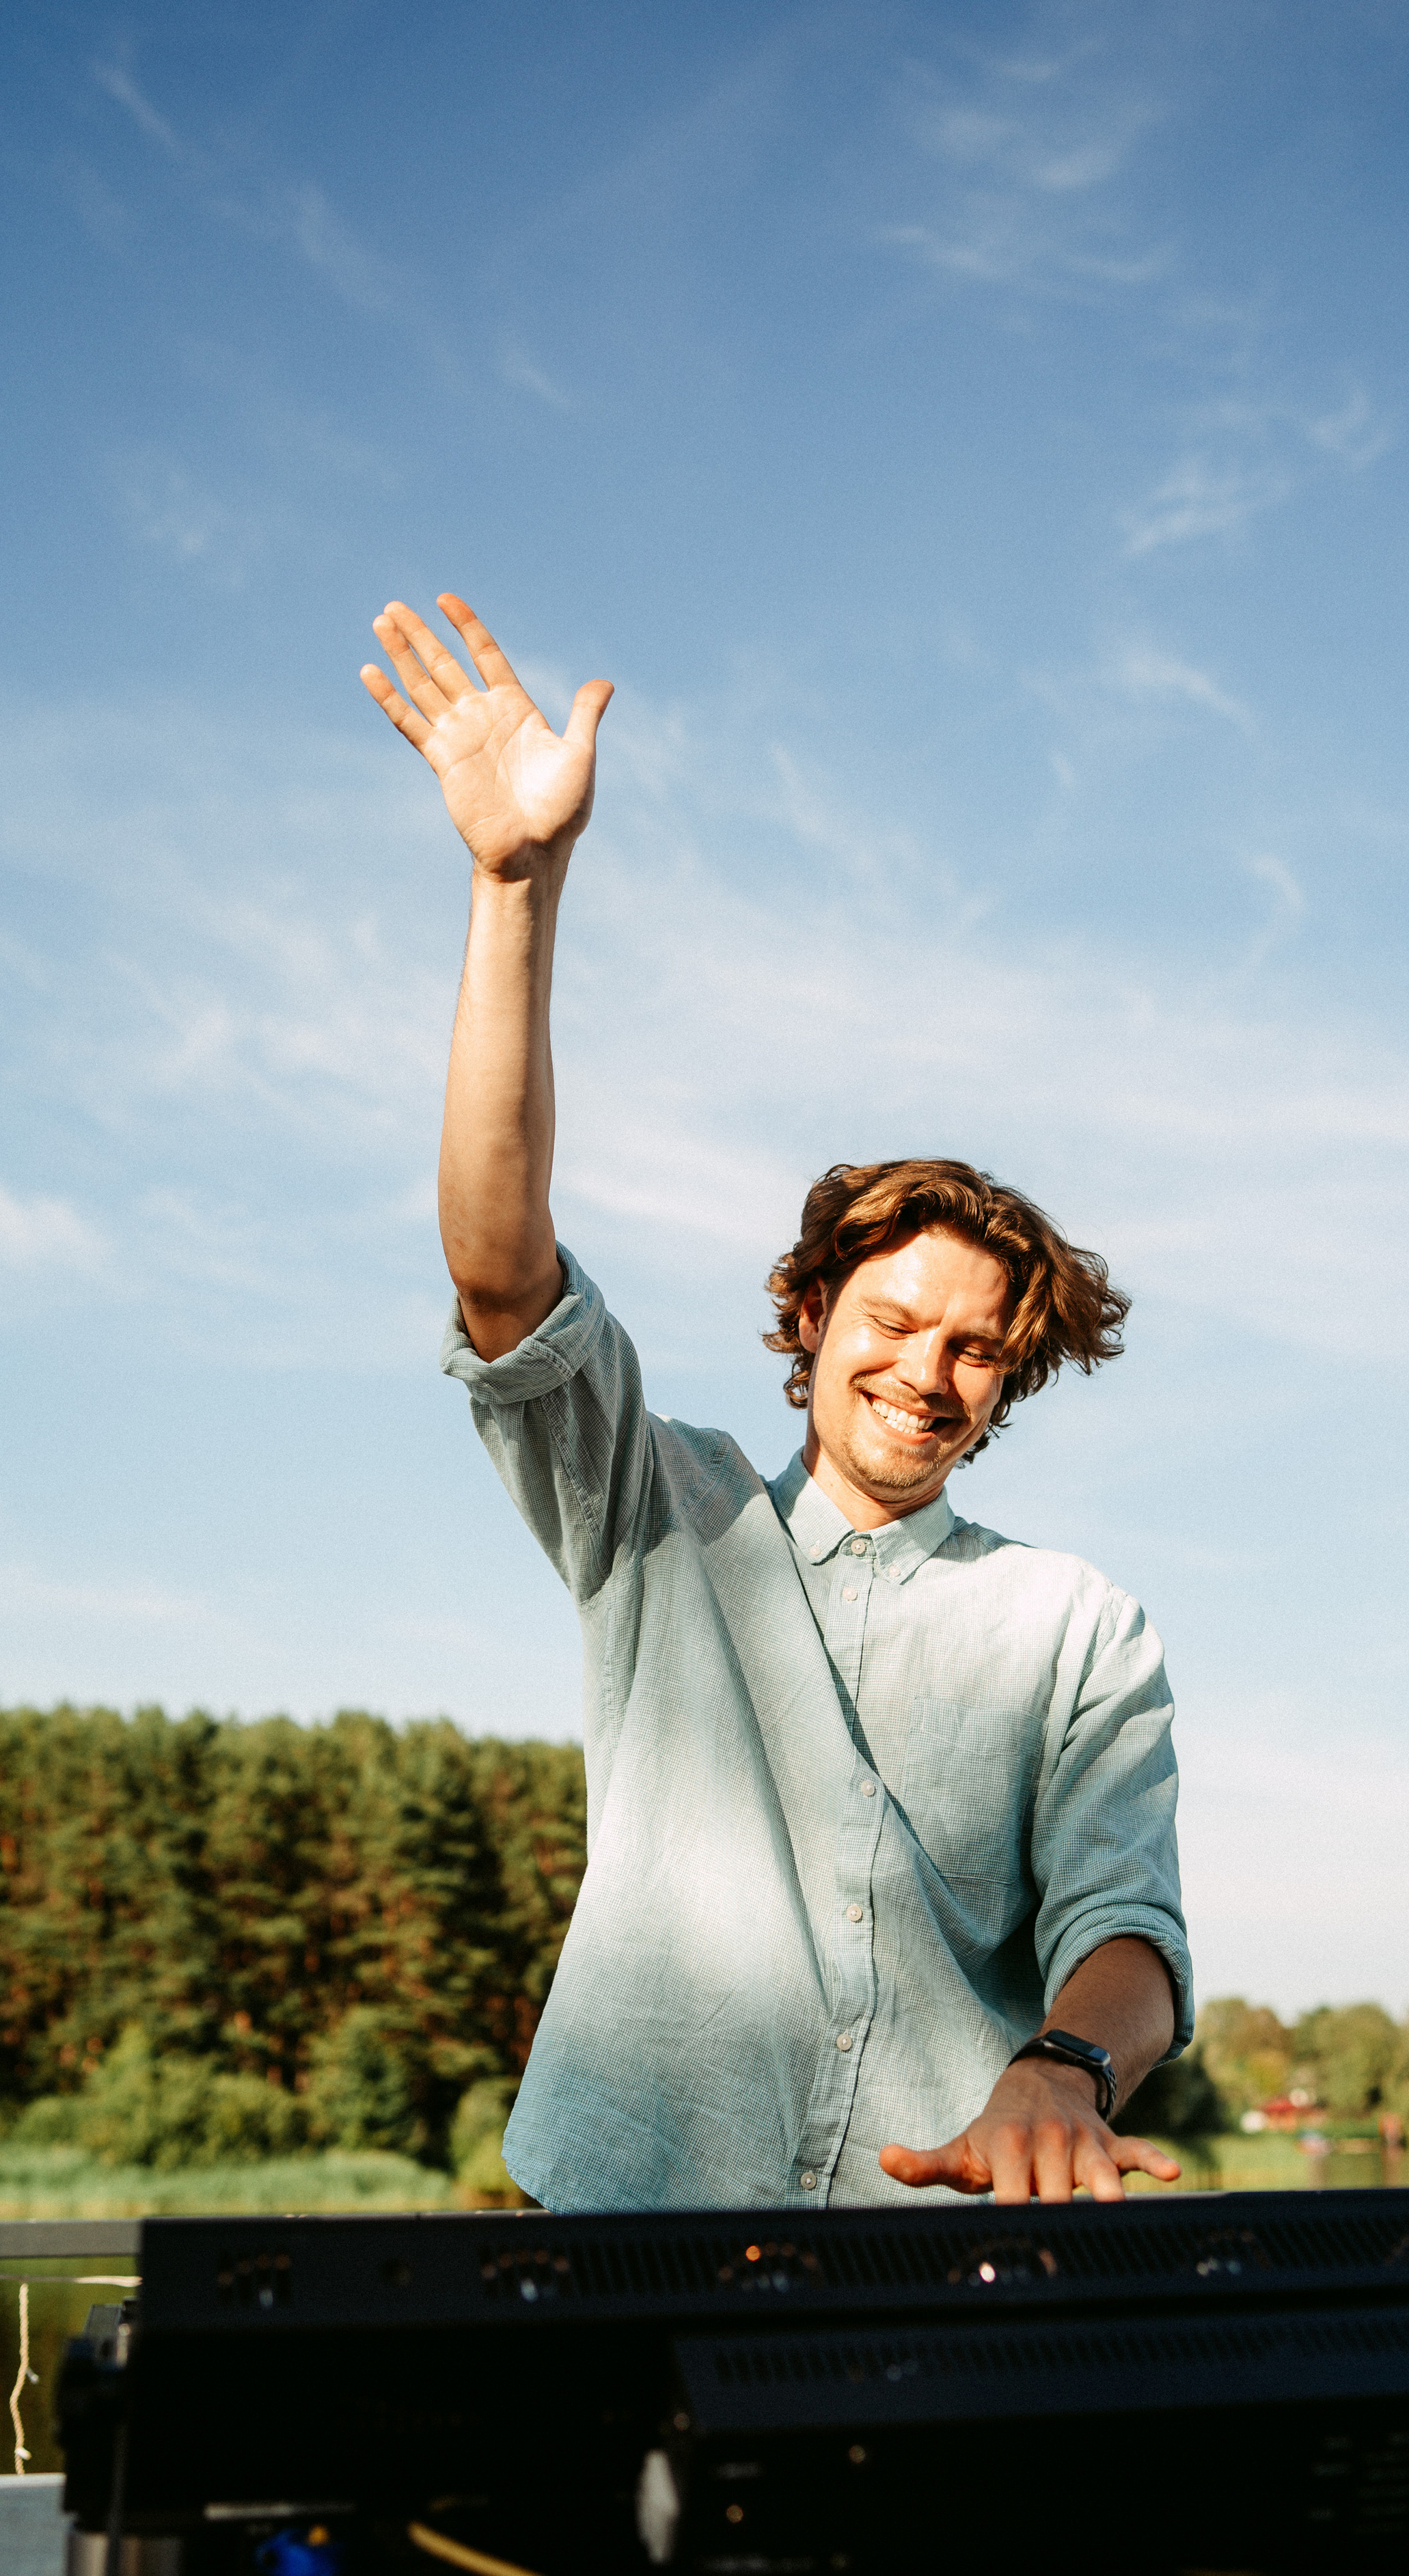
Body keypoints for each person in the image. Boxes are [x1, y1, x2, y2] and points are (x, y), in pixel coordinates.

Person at [362, 593, 1192, 2212]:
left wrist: (1063, 2068)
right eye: (891, 1323)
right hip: (618, 2232)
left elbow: (1127, 1934)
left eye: (975, 1350)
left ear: (1008, 1377)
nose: (926, 1375)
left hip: (927, 2245)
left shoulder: (1075, 1625)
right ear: (809, 1318)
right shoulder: (656, 1515)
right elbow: (497, 1268)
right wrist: (510, 886)